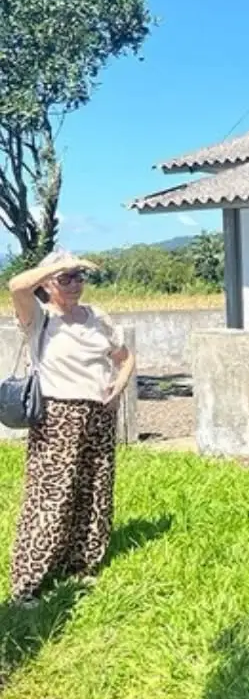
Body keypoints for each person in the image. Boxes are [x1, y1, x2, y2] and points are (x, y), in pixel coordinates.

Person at [7, 250, 135, 608]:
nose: (75, 283)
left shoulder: (97, 318)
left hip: (99, 414)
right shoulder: (39, 317)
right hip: (57, 415)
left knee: (94, 490)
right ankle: (28, 582)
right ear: (48, 282)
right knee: (51, 496)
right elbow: (16, 285)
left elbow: (125, 359)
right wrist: (56, 265)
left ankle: (81, 565)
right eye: (66, 278)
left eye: (79, 276)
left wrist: (118, 387)